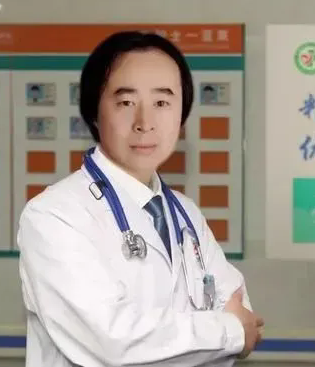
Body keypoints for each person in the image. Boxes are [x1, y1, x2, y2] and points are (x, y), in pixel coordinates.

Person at [17, 31, 263, 367]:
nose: (145, 123)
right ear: (93, 112)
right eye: (126, 103)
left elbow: (241, 308)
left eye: (162, 103)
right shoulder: (54, 215)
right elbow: (110, 342)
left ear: (181, 116)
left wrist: (214, 333)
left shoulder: (185, 213)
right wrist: (226, 332)